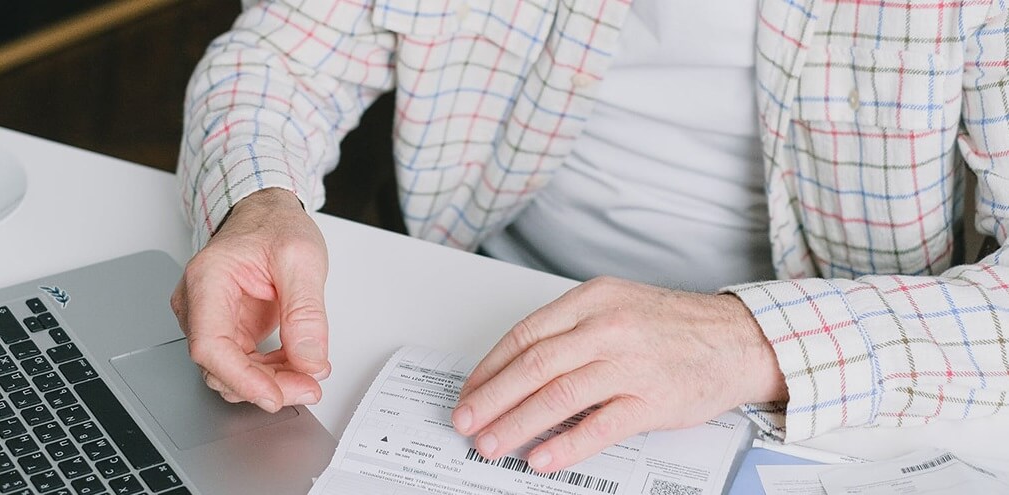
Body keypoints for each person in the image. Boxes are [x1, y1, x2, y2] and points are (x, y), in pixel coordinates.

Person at [171, 0, 1009, 474]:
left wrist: (745, 338)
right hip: (475, 312)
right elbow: (281, 54)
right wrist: (257, 198)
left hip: (833, 385)